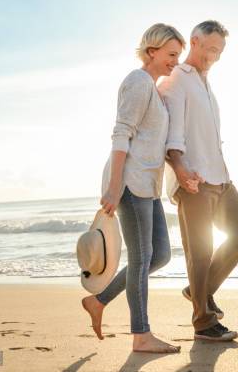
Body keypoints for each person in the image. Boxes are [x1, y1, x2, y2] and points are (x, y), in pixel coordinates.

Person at [81, 23, 190, 353]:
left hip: (148, 185)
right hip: (129, 182)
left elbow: (153, 141)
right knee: (142, 259)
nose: (175, 61)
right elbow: (121, 134)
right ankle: (141, 335)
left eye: (178, 56)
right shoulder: (138, 81)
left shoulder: (154, 89)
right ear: (152, 51)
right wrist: (114, 189)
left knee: (160, 255)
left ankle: (99, 300)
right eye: (171, 54)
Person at [159, 20, 238, 342]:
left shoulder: (206, 83)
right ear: (195, 41)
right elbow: (171, 132)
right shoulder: (177, 79)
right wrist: (181, 169)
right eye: (211, 49)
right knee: (200, 251)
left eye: (219, 52)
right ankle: (203, 322)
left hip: (220, 176)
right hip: (194, 179)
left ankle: (199, 291)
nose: (214, 56)